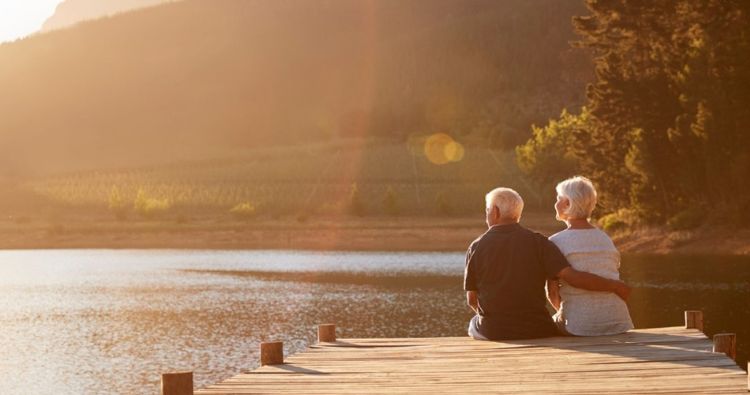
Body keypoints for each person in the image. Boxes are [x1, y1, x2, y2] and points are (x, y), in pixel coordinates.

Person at [464, 187, 630, 340]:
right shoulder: (540, 242)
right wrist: (614, 285)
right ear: (518, 214)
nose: (487, 215)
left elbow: (472, 300)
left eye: (487, 210)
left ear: (495, 212)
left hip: (494, 331)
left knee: (473, 325)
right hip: (538, 329)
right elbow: (571, 276)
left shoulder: (476, 246)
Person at [547, 176, 634, 336]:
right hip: (617, 322)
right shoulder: (605, 238)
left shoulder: (555, 242)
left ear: (567, 204)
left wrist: (569, 314)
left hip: (579, 326)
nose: (555, 203)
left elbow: (552, 293)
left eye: (558, 199)